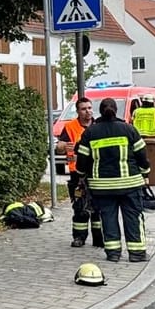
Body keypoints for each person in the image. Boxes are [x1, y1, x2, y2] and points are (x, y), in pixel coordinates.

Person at [75, 97, 151, 263]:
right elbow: (142, 156)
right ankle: (137, 253)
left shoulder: (90, 132)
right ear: (115, 110)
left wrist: (82, 174)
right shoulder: (129, 129)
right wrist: (145, 172)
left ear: (99, 111)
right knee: (133, 217)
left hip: (102, 186)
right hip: (130, 184)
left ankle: (113, 253)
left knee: (108, 218)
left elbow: (81, 160)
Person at [57, 97, 103, 247]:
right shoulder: (70, 127)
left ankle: (99, 238)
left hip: (96, 172)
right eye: (84, 109)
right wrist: (64, 145)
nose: (88, 111)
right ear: (77, 111)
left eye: (89, 108)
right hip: (76, 172)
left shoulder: (98, 125)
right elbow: (59, 147)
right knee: (80, 207)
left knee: (98, 208)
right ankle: (79, 237)